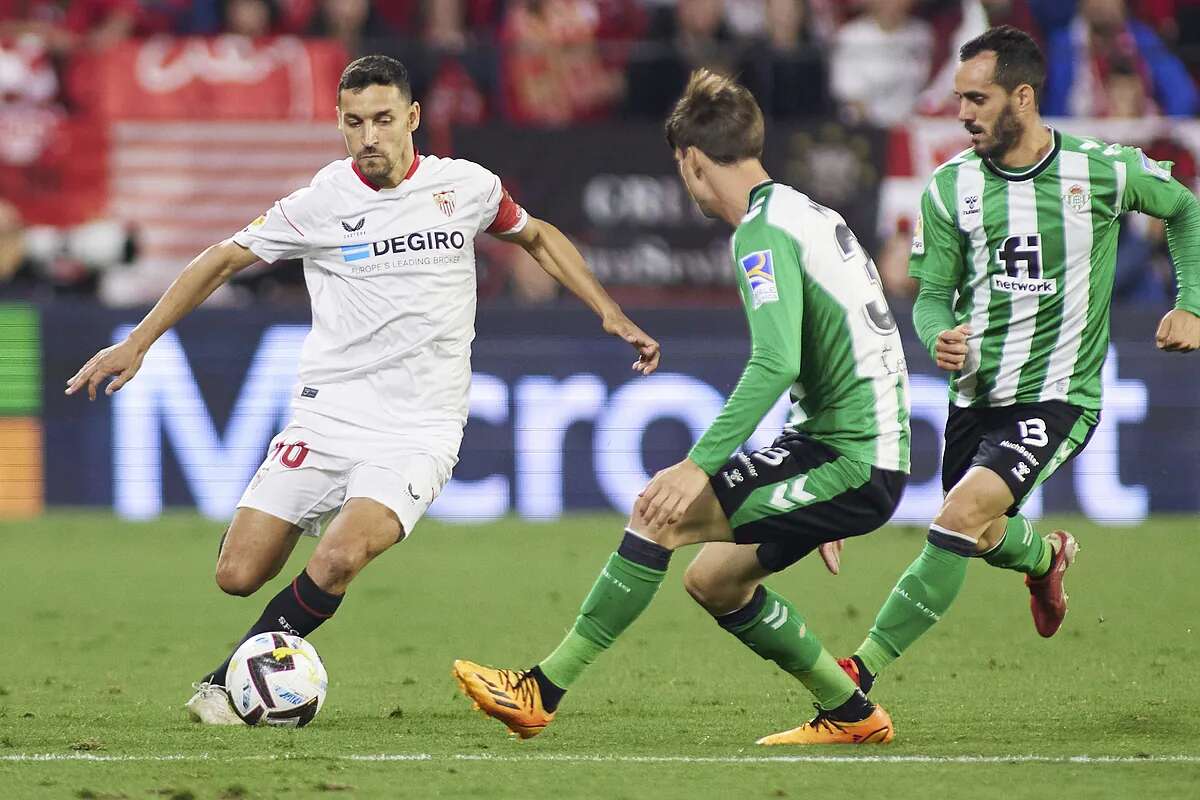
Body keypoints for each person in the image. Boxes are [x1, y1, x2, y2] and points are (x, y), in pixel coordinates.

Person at [64, 54, 661, 725]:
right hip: (327, 417)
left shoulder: (464, 187)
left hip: (419, 428)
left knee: (341, 555)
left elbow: (539, 236)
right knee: (237, 574)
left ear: (412, 118)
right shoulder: (320, 202)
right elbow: (222, 258)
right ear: (339, 125)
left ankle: (231, 679)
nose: (370, 136)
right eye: (354, 123)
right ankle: (267, 633)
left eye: (383, 120)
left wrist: (606, 310)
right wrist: (138, 341)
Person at [454, 68, 911, 746]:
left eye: (682, 168)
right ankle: (849, 712)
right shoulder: (808, 213)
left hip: (851, 456)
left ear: (694, 162)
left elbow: (777, 361)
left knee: (657, 511)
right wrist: (817, 487)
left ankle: (539, 692)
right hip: (850, 450)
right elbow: (845, 348)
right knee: (714, 581)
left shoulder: (760, 233)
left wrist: (702, 465)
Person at [838, 25, 1200, 699]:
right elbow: (931, 298)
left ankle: (856, 673)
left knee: (955, 518)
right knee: (977, 530)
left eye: (977, 98)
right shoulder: (949, 187)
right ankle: (1045, 556)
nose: (963, 112)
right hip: (976, 396)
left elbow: (1184, 207)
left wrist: (1193, 304)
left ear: (1024, 97)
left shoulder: (1099, 168)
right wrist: (939, 331)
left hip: (1060, 395)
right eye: (958, 98)